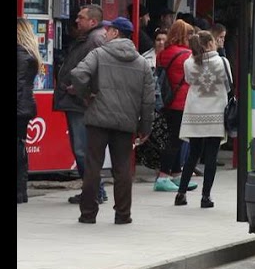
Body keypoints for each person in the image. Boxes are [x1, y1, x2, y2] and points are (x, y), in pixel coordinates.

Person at [66, 17, 155, 224]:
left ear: (116, 33)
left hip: (98, 118)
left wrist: (86, 95)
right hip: (126, 122)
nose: (105, 33)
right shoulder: (142, 63)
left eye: (108, 30)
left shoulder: (98, 54)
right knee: (122, 168)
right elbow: (149, 99)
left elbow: (78, 75)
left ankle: (88, 214)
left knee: (93, 166)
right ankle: (123, 214)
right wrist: (145, 127)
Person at [53, 4, 107, 204]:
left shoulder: (95, 40)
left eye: (81, 17)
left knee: (82, 149)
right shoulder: (88, 38)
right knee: (83, 149)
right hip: (77, 101)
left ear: (93, 21)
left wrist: (79, 88)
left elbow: (99, 71)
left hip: (81, 102)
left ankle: (94, 192)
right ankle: (94, 190)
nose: (76, 20)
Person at [175, 30, 230, 208]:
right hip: (216, 113)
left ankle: (181, 193)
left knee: (193, 154)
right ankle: (205, 197)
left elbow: (188, 81)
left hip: (194, 112)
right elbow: (229, 85)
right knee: (211, 156)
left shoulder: (188, 63)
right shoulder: (222, 62)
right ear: (209, 44)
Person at [155, 20, 198, 192]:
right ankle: (163, 176)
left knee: (173, 138)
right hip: (183, 102)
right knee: (175, 141)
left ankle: (175, 174)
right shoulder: (188, 55)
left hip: (168, 101)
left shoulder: (163, 53)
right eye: (189, 34)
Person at [17, 19, 41, 204]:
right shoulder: (29, 53)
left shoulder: (20, 55)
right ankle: (21, 191)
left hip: (19, 106)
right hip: (24, 106)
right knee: (20, 149)